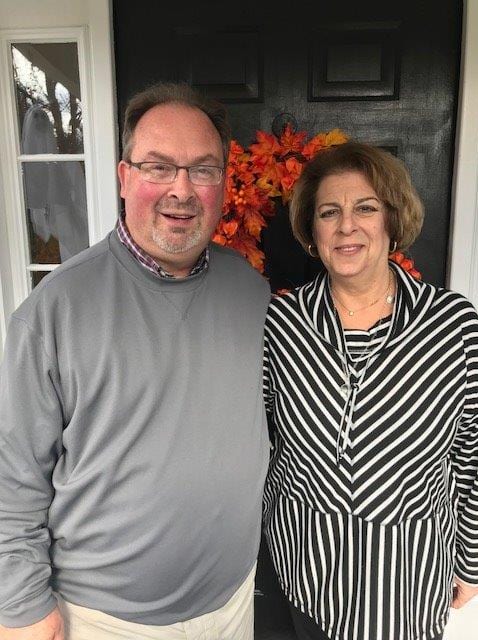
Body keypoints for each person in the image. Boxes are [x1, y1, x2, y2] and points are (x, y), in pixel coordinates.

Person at [0, 83, 271, 640]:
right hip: (107, 622)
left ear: (223, 182)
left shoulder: (252, 292)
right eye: (158, 167)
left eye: (202, 169)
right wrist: (22, 605)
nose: (181, 189)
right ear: (125, 177)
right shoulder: (54, 311)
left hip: (234, 603)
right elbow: (13, 476)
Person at [262, 142, 478, 640]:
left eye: (365, 208)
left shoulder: (453, 326)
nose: (346, 226)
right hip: (305, 580)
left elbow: (473, 454)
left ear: (392, 220)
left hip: (408, 590)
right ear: (312, 233)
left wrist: (471, 562)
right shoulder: (283, 323)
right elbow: (266, 440)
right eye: (329, 212)